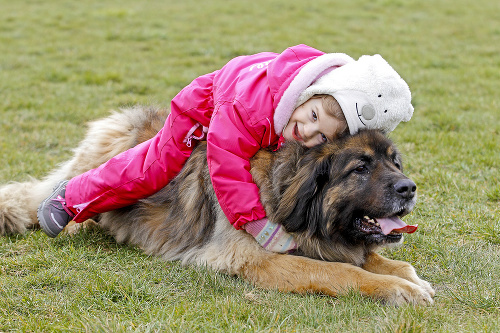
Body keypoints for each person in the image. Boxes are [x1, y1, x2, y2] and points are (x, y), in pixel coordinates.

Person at [37, 44, 414, 253]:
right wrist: (255, 222)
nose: (308, 131)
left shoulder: (303, 105)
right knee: (150, 169)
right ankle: (72, 198)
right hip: (202, 113)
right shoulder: (245, 110)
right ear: (308, 93)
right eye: (312, 115)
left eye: (322, 135)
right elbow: (226, 166)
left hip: (244, 112)